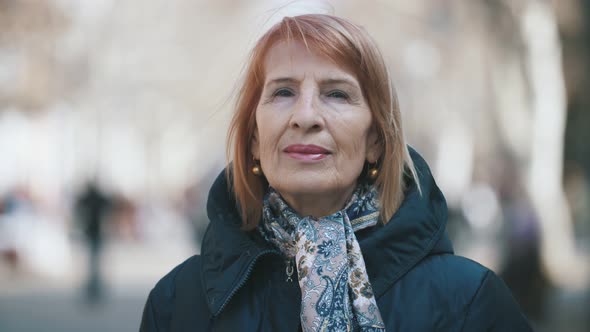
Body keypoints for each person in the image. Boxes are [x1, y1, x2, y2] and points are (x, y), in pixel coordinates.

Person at [140, 14, 533, 331]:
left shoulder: (469, 301)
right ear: (254, 138)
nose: (306, 116)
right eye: (282, 92)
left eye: (337, 94)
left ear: (376, 140)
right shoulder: (176, 303)